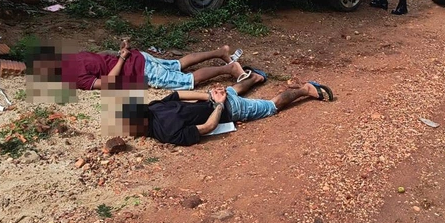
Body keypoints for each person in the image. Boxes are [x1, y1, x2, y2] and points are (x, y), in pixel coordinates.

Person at [120, 70, 334, 146]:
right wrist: (210, 96)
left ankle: (305, 90)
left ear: (144, 121)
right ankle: (256, 77)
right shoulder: (153, 107)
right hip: (214, 101)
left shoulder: (165, 133)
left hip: (229, 110)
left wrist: (219, 105)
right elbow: (178, 94)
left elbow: (208, 127)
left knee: (271, 106)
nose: (129, 131)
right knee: (232, 90)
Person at [31, 41, 248, 91]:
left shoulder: (75, 79)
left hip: (137, 69)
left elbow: (110, 82)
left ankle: (228, 69)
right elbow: (102, 58)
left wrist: (122, 59)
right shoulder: (72, 57)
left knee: (188, 79)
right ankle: (220, 52)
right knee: (178, 64)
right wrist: (123, 53)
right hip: (140, 57)